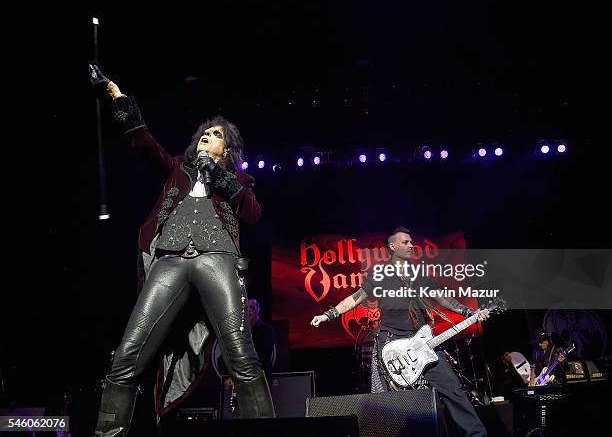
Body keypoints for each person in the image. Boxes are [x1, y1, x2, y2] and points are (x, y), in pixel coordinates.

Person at [89, 64, 275, 436]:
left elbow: (253, 214)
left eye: (216, 134)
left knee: (241, 354)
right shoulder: (178, 168)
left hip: (217, 258)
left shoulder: (237, 179)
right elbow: (143, 141)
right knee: (128, 354)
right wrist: (117, 97)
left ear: (228, 148)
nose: (207, 136)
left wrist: (218, 174)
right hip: (170, 260)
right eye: (204, 133)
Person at [310, 226, 490, 437]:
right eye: (405, 242)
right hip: (393, 343)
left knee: (453, 390)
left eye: (411, 242)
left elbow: (442, 298)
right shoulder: (380, 274)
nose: (411, 245)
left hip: (423, 343)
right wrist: (328, 314)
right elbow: (355, 298)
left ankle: (477, 435)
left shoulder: (419, 274)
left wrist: (468, 311)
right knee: (393, 402)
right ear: (392, 246)